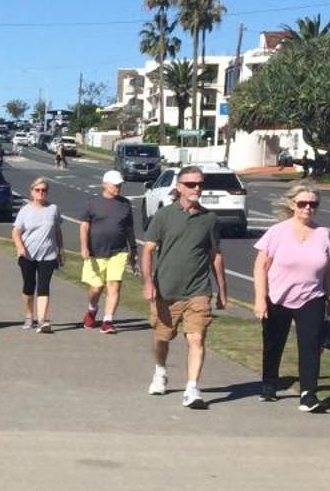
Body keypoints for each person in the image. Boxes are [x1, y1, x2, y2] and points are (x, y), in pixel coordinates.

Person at [139, 164, 227, 409]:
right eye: (190, 184)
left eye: (200, 184)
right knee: (161, 339)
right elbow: (147, 250)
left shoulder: (209, 219)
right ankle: (160, 371)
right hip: (166, 290)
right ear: (179, 188)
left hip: (198, 291)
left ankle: (192, 389)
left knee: (196, 338)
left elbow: (215, 255)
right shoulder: (164, 216)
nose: (196, 188)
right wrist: (148, 284)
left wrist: (222, 290)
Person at [252, 185, 330, 411]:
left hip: (312, 297)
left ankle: (308, 394)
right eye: (302, 204)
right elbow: (260, 267)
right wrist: (261, 299)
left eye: (313, 204)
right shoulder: (277, 232)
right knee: (273, 342)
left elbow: (328, 272)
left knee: (310, 345)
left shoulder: (323, 234)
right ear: (292, 205)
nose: (308, 208)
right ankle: (269, 384)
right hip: (277, 297)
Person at [78, 169, 137, 333]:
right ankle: (92, 309)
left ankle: (108, 320)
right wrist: (84, 246)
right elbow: (84, 226)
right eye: (115, 184)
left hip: (118, 251)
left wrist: (133, 249)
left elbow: (129, 228)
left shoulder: (125, 204)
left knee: (114, 284)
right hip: (95, 252)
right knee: (96, 287)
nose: (118, 187)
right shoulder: (92, 203)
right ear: (105, 185)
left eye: (120, 184)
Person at [11, 178, 62, 334]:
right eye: (38, 190)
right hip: (28, 255)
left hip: (48, 255)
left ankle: (41, 321)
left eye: (44, 190)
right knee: (29, 286)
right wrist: (20, 248)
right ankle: (29, 315)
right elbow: (15, 232)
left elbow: (57, 231)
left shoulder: (53, 209)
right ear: (32, 192)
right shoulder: (25, 210)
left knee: (44, 287)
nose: (41, 193)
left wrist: (61, 251)